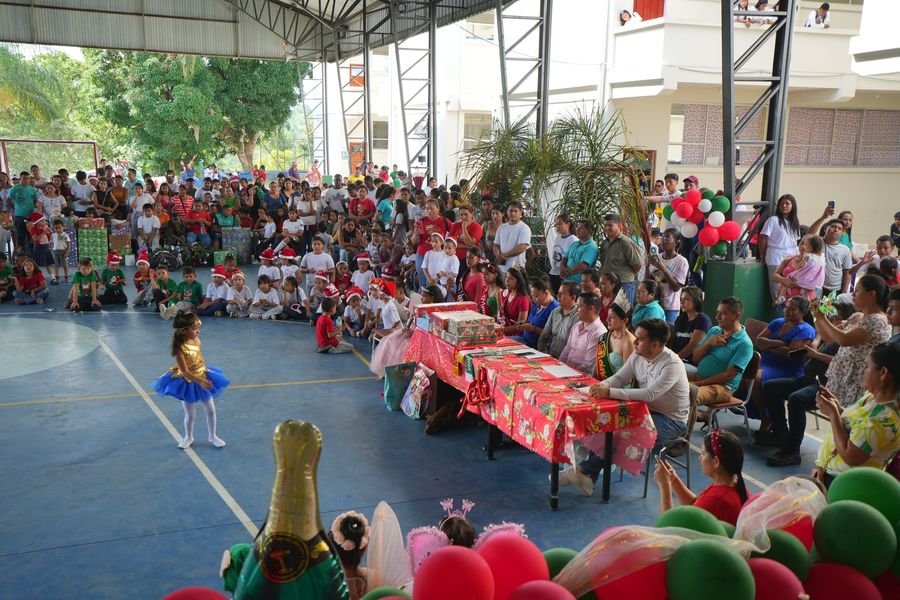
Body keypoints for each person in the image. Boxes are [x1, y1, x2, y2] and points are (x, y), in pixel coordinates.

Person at [562, 318, 689, 496]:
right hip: (643, 410)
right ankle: (587, 475)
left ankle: (585, 471)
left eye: (640, 339)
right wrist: (601, 387)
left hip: (671, 420)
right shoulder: (638, 355)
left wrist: (609, 392)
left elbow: (649, 394)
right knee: (605, 421)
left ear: (655, 345)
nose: (634, 342)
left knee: (620, 432)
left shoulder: (671, 364)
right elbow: (619, 378)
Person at [813, 343, 900, 487]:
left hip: (846, 485)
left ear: (883, 373)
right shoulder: (871, 397)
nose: (861, 371)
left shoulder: (883, 419)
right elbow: (857, 424)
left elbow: (850, 456)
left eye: (866, 366)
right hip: (832, 475)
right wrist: (837, 408)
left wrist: (833, 415)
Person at [152, 310, 228, 449]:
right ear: (183, 331)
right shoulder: (179, 349)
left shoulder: (196, 340)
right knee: (190, 414)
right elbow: (185, 372)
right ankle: (188, 437)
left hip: (202, 374)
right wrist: (200, 381)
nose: (198, 331)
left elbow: (199, 358)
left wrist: (204, 374)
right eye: (195, 329)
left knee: (211, 410)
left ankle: (212, 436)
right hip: (188, 381)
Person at [812, 273, 891, 407]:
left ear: (872, 294)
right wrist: (818, 316)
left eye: (858, 290)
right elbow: (827, 337)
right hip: (843, 376)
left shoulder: (877, 320)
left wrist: (822, 318)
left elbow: (844, 340)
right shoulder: (857, 316)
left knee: (847, 417)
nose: (853, 294)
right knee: (836, 414)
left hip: (856, 379)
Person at [655, 430, 748, 525]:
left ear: (716, 461)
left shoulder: (716, 500)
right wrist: (673, 478)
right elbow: (695, 505)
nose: (699, 458)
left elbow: (667, 526)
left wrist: (664, 486)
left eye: (703, 454)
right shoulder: (733, 483)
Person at [753, 296, 817, 433]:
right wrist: (781, 343)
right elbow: (758, 341)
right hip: (765, 362)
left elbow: (791, 354)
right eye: (786, 307)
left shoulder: (806, 329)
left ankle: (766, 418)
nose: (787, 311)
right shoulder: (777, 322)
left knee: (756, 378)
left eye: (793, 309)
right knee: (742, 374)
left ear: (803, 312)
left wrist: (768, 346)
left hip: (788, 368)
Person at [690, 296, 754, 407]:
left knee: (688, 394)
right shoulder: (715, 330)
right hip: (699, 377)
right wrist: (708, 342)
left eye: (723, 313)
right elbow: (695, 358)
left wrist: (698, 384)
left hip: (722, 387)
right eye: (717, 312)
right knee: (669, 382)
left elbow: (728, 375)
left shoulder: (745, 344)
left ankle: (688, 417)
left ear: (737, 316)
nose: (717, 317)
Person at [758, 194, 801, 303]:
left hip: (791, 259)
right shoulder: (773, 220)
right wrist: (763, 255)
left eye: (787, 203)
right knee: (777, 290)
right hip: (776, 258)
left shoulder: (794, 222)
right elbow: (763, 238)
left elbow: (795, 242)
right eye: (781, 204)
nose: (784, 206)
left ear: (793, 206)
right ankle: (779, 310)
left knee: (790, 289)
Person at [647, 229, 689, 323]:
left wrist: (663, 269)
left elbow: (676, 287)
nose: (663, 240)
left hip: (671, 307)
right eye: (662, 237)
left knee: (668, 330)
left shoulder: (682, 261)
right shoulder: (657, 257)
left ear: (676, 242)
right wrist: (647, 266)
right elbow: (648, 281)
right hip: (654, 305)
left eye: (667, 238)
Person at [559, 293, 608, 374]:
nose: (576, 309)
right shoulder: (576, 326)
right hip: (566, 371)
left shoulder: (599, 333)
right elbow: (566, 352)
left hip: (580, 376)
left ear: (591, 308)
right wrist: (559, 367)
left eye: (579, 307)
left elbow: (588, 366)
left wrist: (566, 371)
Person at [598, 214, 642, 304]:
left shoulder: (626, 242)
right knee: (607, 310)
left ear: (619, 226)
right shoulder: (604, 243)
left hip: (624, 284)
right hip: (607, 285)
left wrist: (625, 274)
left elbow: (637, 264)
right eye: (605, 225)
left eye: (610, 225)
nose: (607, 228)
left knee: (622, 310)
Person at [771, 234, 825, 306]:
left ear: (812, 248)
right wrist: (784, 280)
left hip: (805, 305)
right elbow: (774, 277)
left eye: (805, 244)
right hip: (786, 303)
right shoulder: (789, 259)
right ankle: (781, 297)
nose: (803, 246)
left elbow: (818, 285)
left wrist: (816, 302)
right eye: (801, 243)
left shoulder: (815, 262)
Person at [510, 278, 559, 348]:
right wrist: (524, 324)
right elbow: (532, 321)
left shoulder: (554, 309)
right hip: (524, 340)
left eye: (536, 296)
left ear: (546, 293)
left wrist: (533, 329)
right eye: (532, 296)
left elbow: (552, 335)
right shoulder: (537, 304)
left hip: (536, 346)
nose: (533, 299)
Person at [671, 286, 712, 367]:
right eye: (681, 299)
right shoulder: (681, 318)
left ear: (696, 301)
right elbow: (673, 343)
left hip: (693, 364)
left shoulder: (703, 320)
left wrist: (673, 361)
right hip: (679, 361)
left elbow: (692, 347)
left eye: (686, 299)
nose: (682, 302)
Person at [537, 282, 579, 359]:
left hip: (566, 361)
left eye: (561, 294)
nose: (557, 296)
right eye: (558, 293)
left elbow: (575, 347)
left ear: (573, 297)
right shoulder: (555, 312)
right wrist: (544, 356)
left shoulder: (578, 317)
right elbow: (544, 337)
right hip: (549, 357)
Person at [595, 303, 635, 381]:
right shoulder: (605, 337)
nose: (607, 320)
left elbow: (628, 377)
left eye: (612, 317)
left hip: (619, 386)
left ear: (625, 320)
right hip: (602, 383)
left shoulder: (629, 342)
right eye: (608, 316)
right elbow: (597, 366)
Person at [492, 201, 532, 275]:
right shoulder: (501, 227)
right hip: (501, 268)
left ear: (520, 212)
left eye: (516, 211)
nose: (513, 213)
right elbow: (495, 245)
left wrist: (504, 256)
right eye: (511, 211)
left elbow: (522, 247)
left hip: (516, 270)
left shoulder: (524, 228)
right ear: (507, 212)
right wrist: (498, 256)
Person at [560, 220, 599, 284]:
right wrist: (562, 268)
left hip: (579, 283)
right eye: (577, 228)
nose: (577, 230)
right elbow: (565, 258)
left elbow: (582, 266)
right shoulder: (575, 244)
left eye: (581, 229)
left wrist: (565, 273)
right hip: (567, 280)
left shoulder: (591, 247)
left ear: (589, 231)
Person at [549, 215, 576, 290]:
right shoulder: (558, 238)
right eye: (556, 224)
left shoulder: (573, 240)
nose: (557, 226)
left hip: (564, 275)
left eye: (560, 224)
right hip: (554, 272)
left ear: (568, 224)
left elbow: (573, 259)